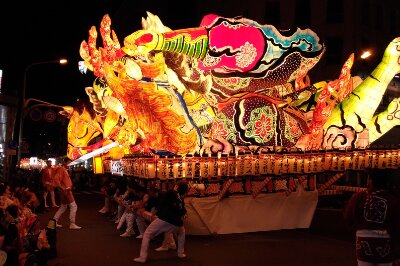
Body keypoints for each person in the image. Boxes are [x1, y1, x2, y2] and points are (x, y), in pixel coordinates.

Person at [344, 169, 400, 266]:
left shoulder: (359, 197)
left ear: (370, 180)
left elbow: (348, 218)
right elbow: (397, 226)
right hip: (385, 242)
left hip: (363, 242)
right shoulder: (393, 200)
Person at [134, 181, 188, 263]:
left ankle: (142, 257)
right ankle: (180, 253)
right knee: (182, 232)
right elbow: (183, 211)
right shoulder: (181, 198)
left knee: (147, 234)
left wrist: (155, 213)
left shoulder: (171, 192)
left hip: (165, 219)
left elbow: (161, 203)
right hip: (177, 223)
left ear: (176, 187)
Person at [52, 158, 82, 230]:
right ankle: (72, 223)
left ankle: (54, 221)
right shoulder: (62, 169)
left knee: (63, 207)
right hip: (66, 190)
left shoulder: (63, 169)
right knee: (73, 206)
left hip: (64, 190)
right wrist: (62, 188)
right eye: (69, 163)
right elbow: (56, 179)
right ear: (64, 162)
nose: (70, 164)